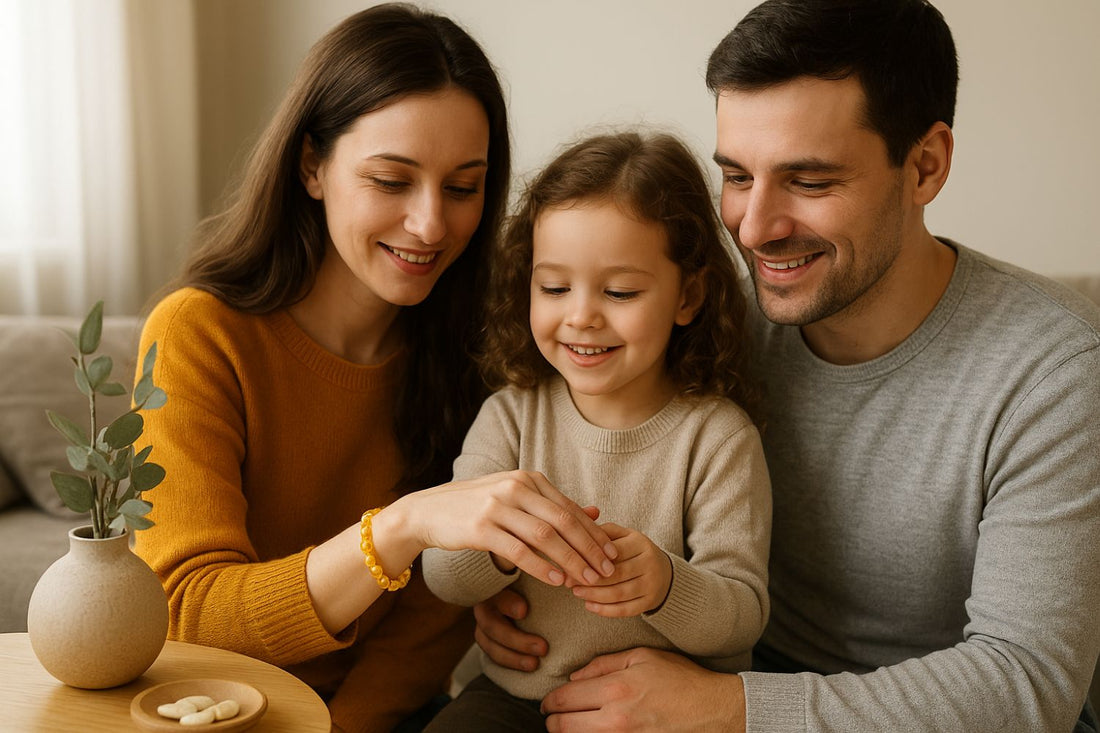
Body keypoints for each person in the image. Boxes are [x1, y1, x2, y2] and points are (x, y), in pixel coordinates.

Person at [475, 1, 1100, 731]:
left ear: (925, 165)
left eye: (809, 181)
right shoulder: (708, 330)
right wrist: (519, 588)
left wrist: (732, 708)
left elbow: (1029, 684)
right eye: (738, 175)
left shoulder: (1054, 370)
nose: (754, 227)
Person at [131, 6, 619, 732]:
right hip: (209, 712)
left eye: (462, 187)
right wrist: (399, 528)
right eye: (392, 180)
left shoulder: (485, 349)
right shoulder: (199, 334)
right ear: (312, 166)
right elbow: (190, 612)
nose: (431, 224)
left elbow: (429, 624)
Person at [419, 131, 772, 731]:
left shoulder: (717, 438)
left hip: (660, 713)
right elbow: (442, 575)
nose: (581, 314)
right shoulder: (510, 417)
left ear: (687, 296)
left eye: (620, 291)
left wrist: (666, 584)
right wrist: (504, 550)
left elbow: (743, 613)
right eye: (554, 287)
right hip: (511, 700)